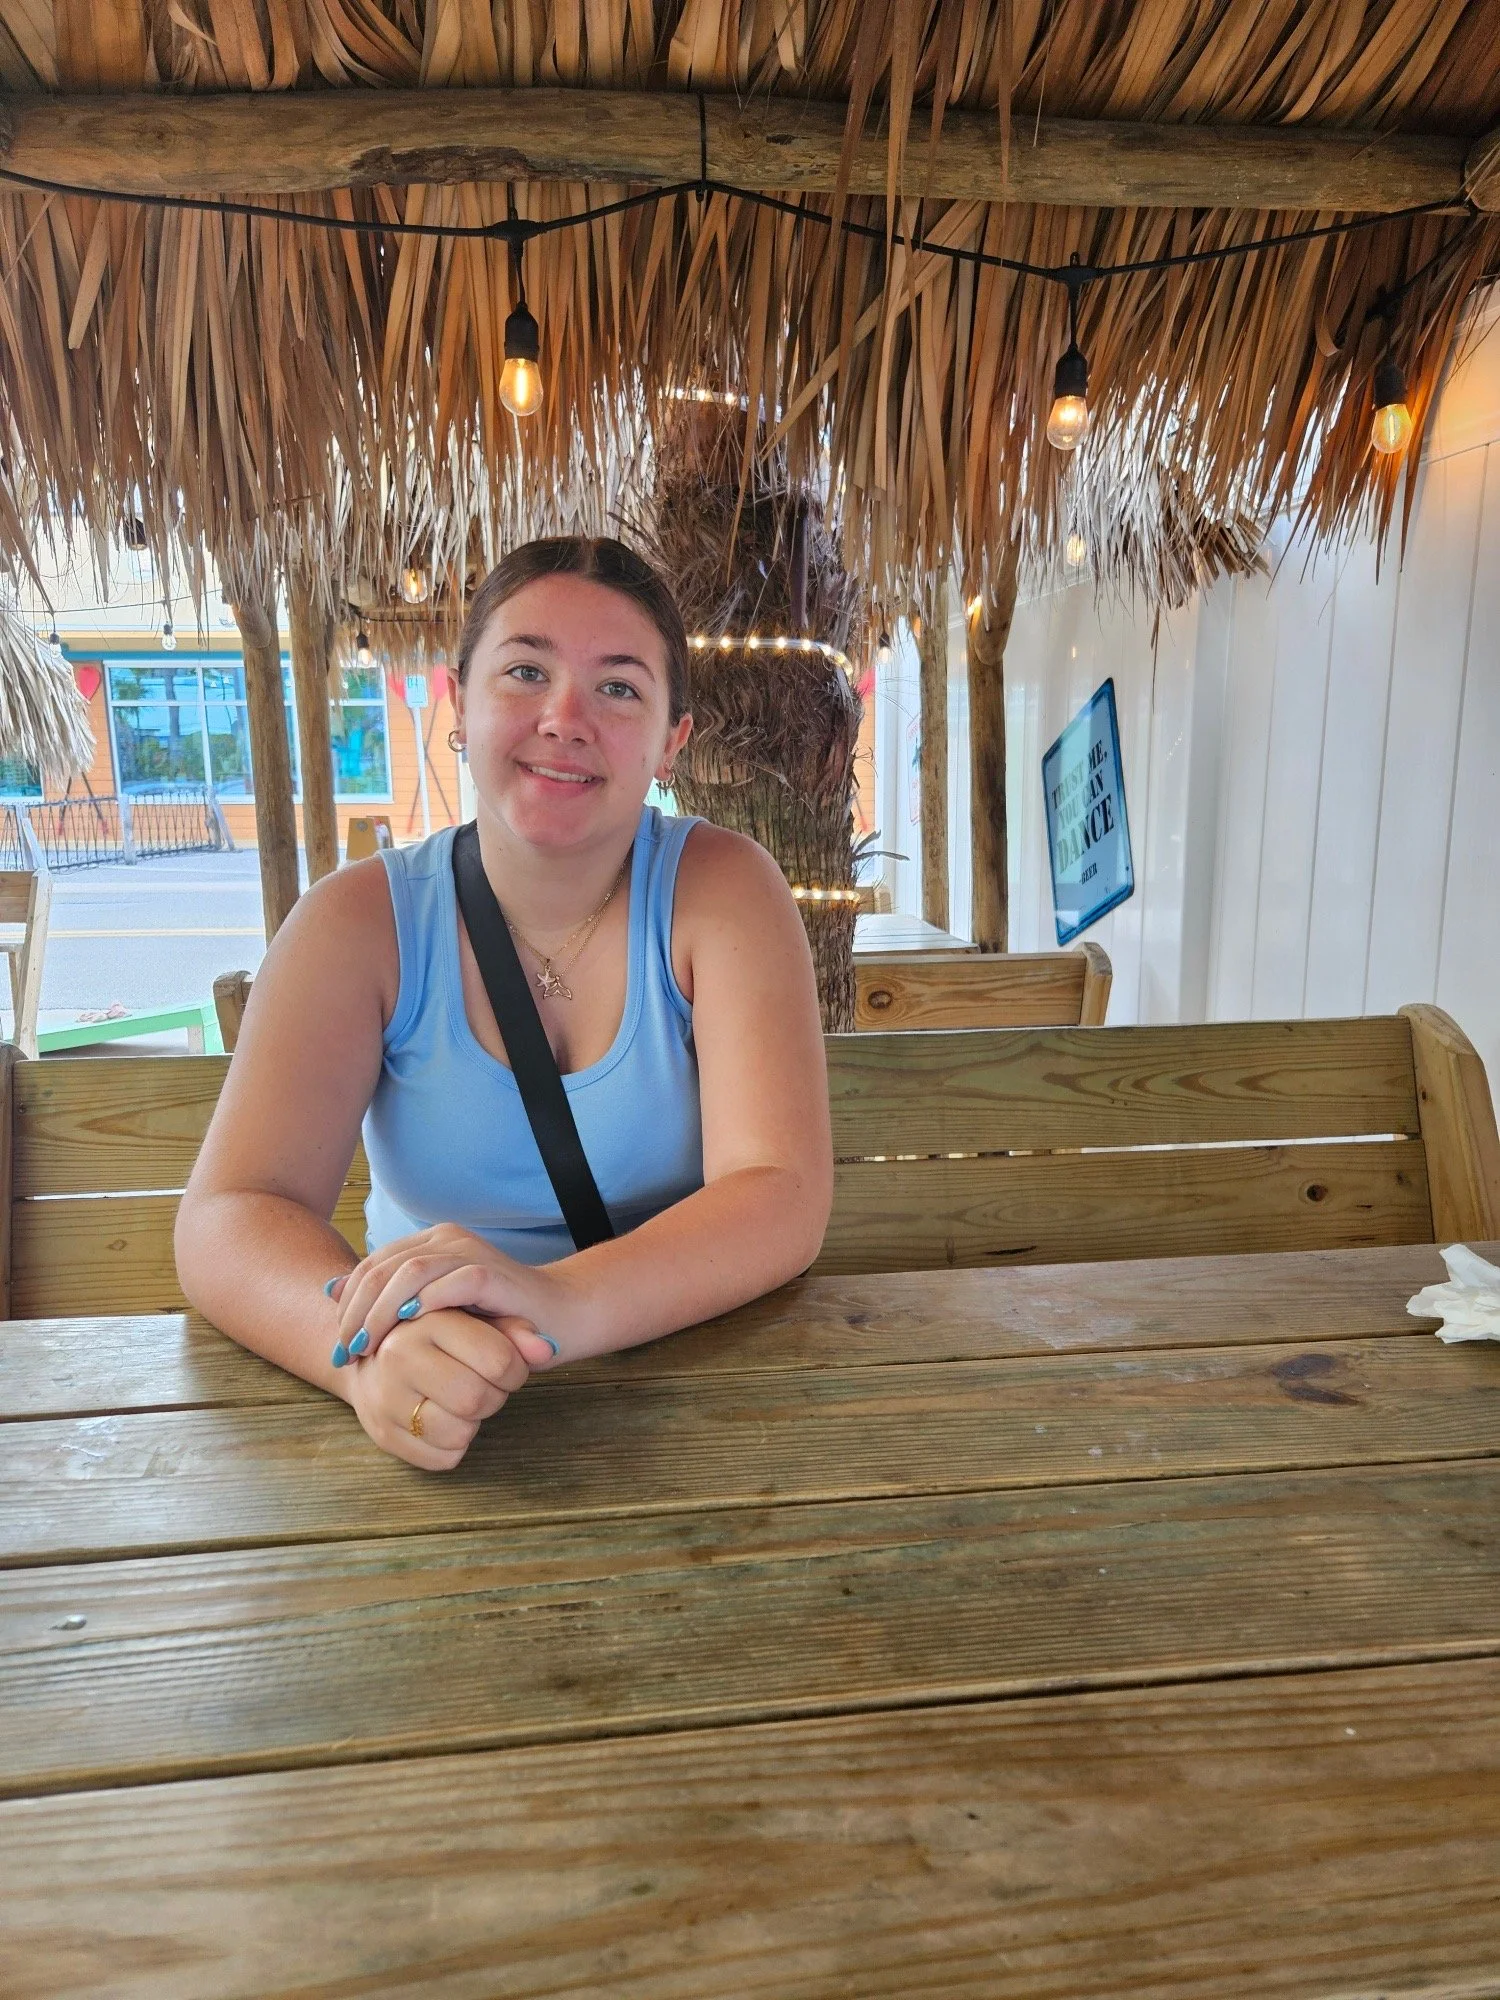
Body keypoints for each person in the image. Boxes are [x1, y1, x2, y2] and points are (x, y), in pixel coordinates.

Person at [176, 536, 833, 1470]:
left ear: (670, 742)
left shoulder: (724, 891)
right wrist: (363, 1358)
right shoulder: (356, 923)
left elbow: (780, 1190)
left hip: (696, 1384)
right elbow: (231, 1212)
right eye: (526, 671)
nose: (565, 719)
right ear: (459, 700)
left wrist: (556, 1301)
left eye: (619, 687)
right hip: (433, 1378)